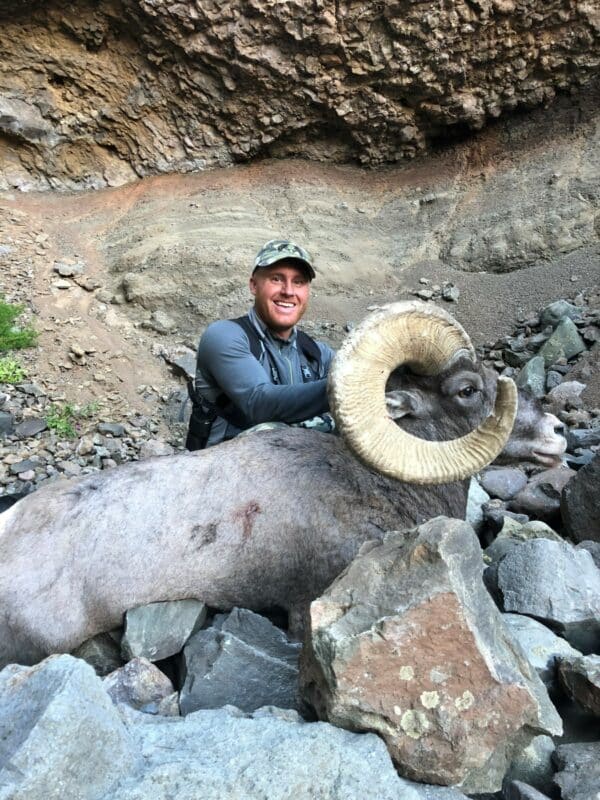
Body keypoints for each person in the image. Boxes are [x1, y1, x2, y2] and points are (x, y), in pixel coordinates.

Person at [186, 240, 335, 450]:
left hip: (299, 473)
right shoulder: (224, 336)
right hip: (222, 474)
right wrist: (345, 384)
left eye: (299, 282)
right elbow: (259, 403)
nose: (288, 291)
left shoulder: (317, 353)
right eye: (276, 279)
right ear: (254, 285)